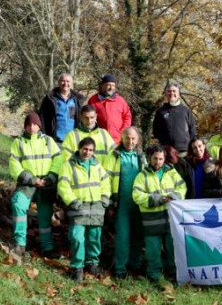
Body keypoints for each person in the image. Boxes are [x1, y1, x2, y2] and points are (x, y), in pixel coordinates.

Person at [8, 112, 61, 263]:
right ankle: (20, 244)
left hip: (46, 184)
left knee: (45, 214)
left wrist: (50, 178)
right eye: (29, 124)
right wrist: (31, 179)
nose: (32, 127)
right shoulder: (18, 143)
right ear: (25, 126)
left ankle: (47, 247)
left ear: (39, 125)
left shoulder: (49, 141)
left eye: (35, 124)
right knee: (18, 204)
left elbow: (58, 160)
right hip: (27, 184)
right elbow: (14, 166)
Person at [57, 137, 111, 280]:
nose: (88, 153)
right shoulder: (69, 165)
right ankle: (77, 268)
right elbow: (63, 186)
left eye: (91, 150)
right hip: (78, 207)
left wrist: (105, 199)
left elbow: (105, 182)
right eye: (85, 149)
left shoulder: (97, 165)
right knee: (77, 238)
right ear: (80, 149)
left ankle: (92, 264)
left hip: (96, 208)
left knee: (94, 238)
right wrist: (73, 201)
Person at [132, 145, 187, 284]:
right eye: (155, 159)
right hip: (151, 221)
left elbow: (182, 187)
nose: (158, 162)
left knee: (171, 248)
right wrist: (156, 199)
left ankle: (173, 273)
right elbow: (137, 195)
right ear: (150, 158)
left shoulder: (172, 172)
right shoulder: (142, 176)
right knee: (153, 250)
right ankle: (154, 275)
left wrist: (175, 196)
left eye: (161, 159)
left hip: (170, 219)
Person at [107, 127, 145, 279]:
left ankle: (135, 264)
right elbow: (107, 179)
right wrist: (109, 201)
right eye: (127, 138)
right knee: (122, 236)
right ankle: (120, 268)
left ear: (137, 140)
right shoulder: (115, 156)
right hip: (121, 203)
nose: (130, 141)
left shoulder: (141, 157)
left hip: (139, 204)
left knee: (138, 235)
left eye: (133, 139)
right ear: (122, 138)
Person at [60, 104, 115, 169]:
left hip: (102, 176)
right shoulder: (72, 135)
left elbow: (113, 154)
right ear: (80, 117)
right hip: (80, 176)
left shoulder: (104, 134)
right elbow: (65, 157)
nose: (89, 121)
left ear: (96, 117)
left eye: (92, 117)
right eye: (86, 118)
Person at [151, 80, 197, 154]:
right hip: (166, 151)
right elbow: (156, 131)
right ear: (166, 94)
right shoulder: (160, 111)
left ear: (179, 94)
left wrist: (189, 146)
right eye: (169, 91)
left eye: (174, 91)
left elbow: (192, 131)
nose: (171, 93)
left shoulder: (186, 110)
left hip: (184, 150)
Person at [39, 73, 86, 143]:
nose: (65, 83)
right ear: (59, 83)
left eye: (68, 81)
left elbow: (80, 119)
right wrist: (44, 135)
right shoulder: (50, 98)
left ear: (72, 83)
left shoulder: (76, 99)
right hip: (55, 140)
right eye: (63, 81)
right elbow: (42, 118)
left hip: (72, 140)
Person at [87, 74, 132, 144]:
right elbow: (88, 118)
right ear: (102, 86)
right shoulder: (93, 101)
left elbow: (127, 116)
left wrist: (122, 132)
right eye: (108, 85)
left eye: (113, 85)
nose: (111, 88)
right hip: (99, 140)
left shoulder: (120, 100)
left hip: (117, 140)